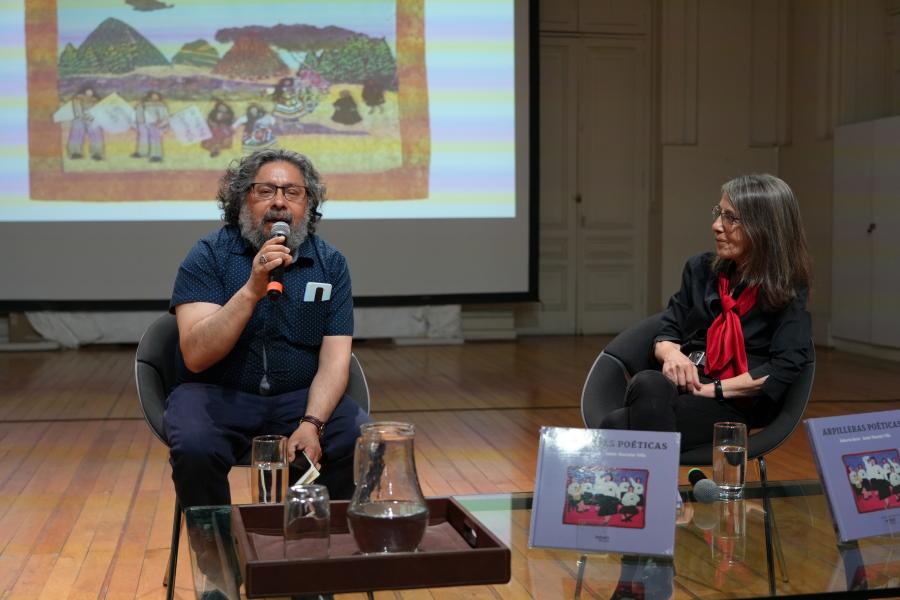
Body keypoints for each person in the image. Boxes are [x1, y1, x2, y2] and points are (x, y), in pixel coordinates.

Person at [164, 148, 370, 510]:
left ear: (308, 205)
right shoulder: (208, 255)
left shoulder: (330, 264)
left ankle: (317, 544)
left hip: (298, 398)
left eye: (292, 192)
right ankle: (219, 552)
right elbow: (195, 356)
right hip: (215, 392)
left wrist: (312, 422)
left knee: (354, 437)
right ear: (242, 200)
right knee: (195, 447)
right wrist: (251, 290)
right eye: (265, 191)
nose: (279, 203)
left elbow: (337, 360)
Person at [598, 174, 812, 450]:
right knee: (649, 381)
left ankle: (655, 491)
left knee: (618, 425)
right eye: (718, 214)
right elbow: (666, 332)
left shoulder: (788, 287)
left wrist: (714, 389)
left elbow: (783, 367)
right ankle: (663, 491)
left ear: (764, 227)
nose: (716, 226)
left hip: (734, 402)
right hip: (680, 385)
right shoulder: (699, 269)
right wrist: (673, 355)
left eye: (730, 218)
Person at [66, 83, 104, 161]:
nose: (89, 93)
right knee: (76, 134)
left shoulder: (96, 100)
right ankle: (75, 153)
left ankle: (97, 153)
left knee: (96, 134)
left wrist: (91, 116)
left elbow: (97, 110)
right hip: (79, 118)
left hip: (92, 119)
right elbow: (77, 110)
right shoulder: (77, 99)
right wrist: (82, 116)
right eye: (87, 91)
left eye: (90, 91)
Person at [132, 90, 169, 162]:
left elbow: (164, 116)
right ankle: (143, 153)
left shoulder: (161, 105)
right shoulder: (144, 104)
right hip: (145, 124)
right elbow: (139, 113)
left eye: (156, 96)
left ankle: (157, 156)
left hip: (156, 125)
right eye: (153, 96)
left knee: (155, 140)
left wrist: (161, 123)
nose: (154, 98)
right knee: (144, 139)